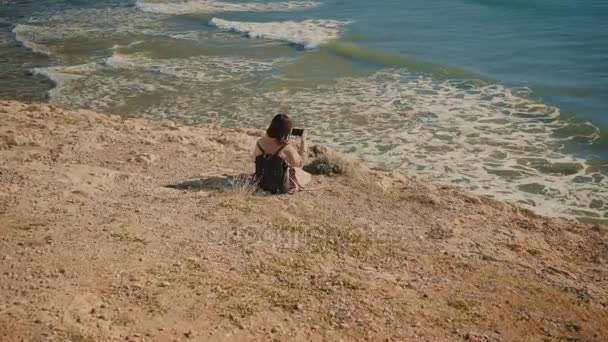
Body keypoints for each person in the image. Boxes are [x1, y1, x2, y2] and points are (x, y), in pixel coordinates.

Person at [254, 113, 311, 193]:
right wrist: (303, 141)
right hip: (280, 187)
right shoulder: (285, 148)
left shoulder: (259, 142)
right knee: (306, 176)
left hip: (261, 183)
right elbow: (301, 163)